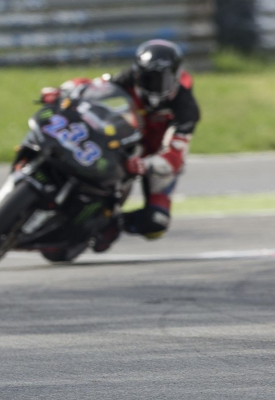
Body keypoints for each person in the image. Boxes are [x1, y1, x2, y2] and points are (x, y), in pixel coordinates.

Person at [40, 39, 201, 252]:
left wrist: (146, 164)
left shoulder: (186, 107)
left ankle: (110, 223)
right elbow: (94, 86)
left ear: (175, 77)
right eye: (147, 78)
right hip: (128, 137)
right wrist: (62, 91)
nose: (152, 85)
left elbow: (175, 156)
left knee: (156, 223)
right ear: (138, 72)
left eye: (160, 80)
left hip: (157, 157)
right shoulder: (130, 77)